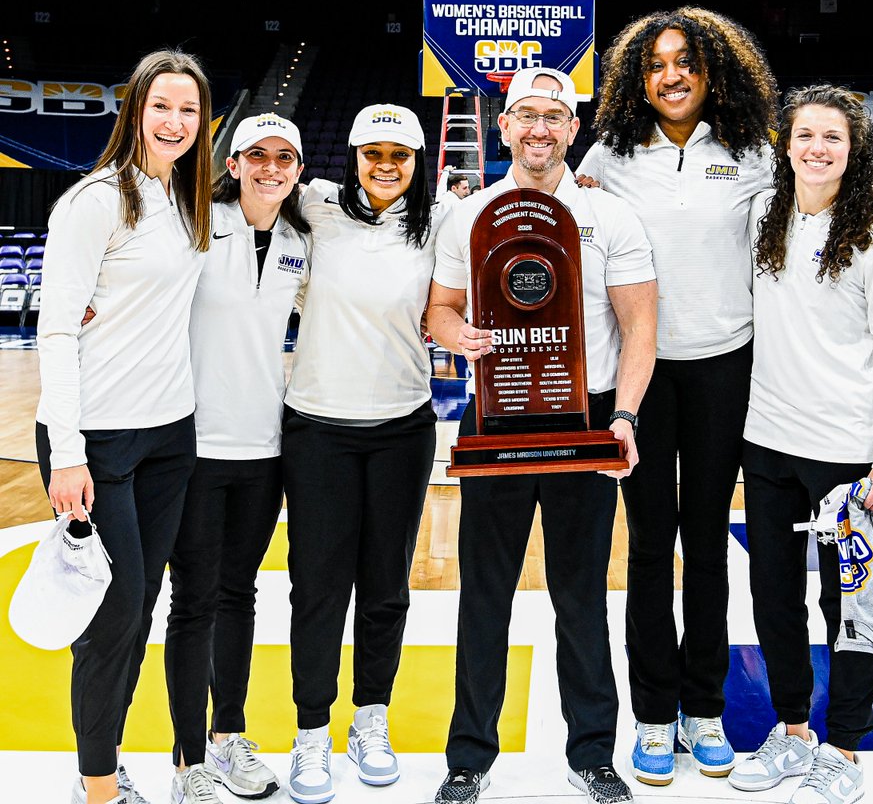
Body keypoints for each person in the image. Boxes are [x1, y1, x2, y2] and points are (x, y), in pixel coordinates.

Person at [575, 8, 873, 786]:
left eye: (686, 61)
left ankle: (704, 710)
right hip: (640, 376)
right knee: (649, 547)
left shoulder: (754, 150)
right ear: (637, 79)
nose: (671, 75)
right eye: (655, 64)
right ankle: (653, 715)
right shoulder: (608, 154)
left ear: (713, 71)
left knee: (710, 549)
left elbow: (820, 180)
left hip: (728, 373)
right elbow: (558, 199)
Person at [427, 68, 658, 804]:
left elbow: (640, 328)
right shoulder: (468, 215)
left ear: (573, 129)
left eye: (553, 116)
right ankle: (468, 758)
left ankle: (593, 754)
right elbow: (439, 310)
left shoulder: (610, 216)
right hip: (497, 414)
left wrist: (624, 417)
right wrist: (458, 336)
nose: (538, 128)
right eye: (525, 114)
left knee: (581, 595)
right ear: (502, 126)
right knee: (483, 594)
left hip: (585, 417)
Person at [730, 84, 873, 804]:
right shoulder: (761, 215)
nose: (817, 148)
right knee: (775, 599)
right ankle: (792, 732)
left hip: (848, 454)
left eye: (832, 137)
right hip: (768, 443)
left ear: (853, 148)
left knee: (852, 613)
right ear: (784, 144)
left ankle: (842, 749)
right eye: (804, 134)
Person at [36, 49, 213, 804]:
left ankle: (106, 757)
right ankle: (100, 785)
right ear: (134, 110)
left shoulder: (188, 199)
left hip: (170, 432)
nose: (174, 121)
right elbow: (55, 330)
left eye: (188, 109)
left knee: (139, 609)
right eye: (160, 106)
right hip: (97, 440)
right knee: (113, 617)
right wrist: (66, 453)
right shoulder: (95, 201)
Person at [281, 104, 438, 804]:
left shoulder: (441, 221)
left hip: (402, 428)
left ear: (417, 161)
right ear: (352, 156)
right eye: (373, 153)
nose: (385, 166)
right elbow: (237, 193)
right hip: (318, 428)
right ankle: (311, 730)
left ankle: (370, 718)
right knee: (316, 588)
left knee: (385, 588)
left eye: (399, 155)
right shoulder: (314, 206)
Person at [164, 113, 311, 804]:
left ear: (299, 171)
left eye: (285, 157)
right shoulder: (193, 225)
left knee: (239, 593)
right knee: (193, 600)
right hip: (193, 445)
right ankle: (187, 760)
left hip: (264, 448)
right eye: (258, 155)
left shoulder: (300, 241)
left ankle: (228, 736)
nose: (270, 167)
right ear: (234, 163)